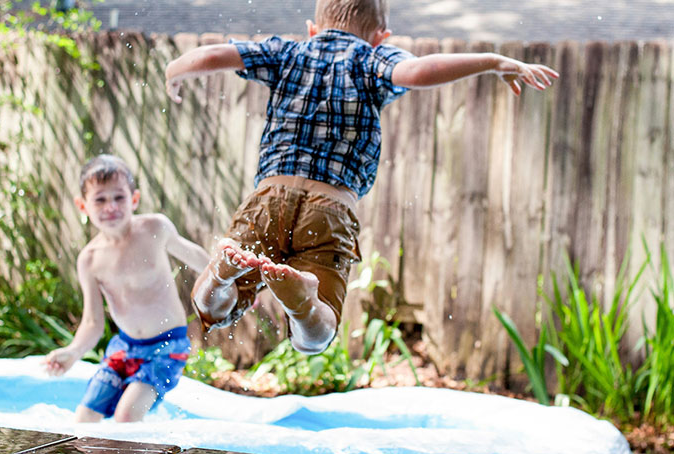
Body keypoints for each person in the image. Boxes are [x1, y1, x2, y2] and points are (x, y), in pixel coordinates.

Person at [164, 0, 559, 356]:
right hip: (331, 207)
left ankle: (219, 274)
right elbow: (419, 71)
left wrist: (175, 70)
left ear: (312, 29)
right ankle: (302, 303)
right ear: (380, 37)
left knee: (214, 309)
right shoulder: (372, 60)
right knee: (317, 335)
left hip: (269, 196)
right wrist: (493, 61)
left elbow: (215, 54)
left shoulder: (287, 52)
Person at [43, 154, 210, 423]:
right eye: (100, 199)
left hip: (168, 345)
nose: (110, 206)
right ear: (82, 205)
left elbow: (197, 257)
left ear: (134, 199)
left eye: (119, 197)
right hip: (124, 347)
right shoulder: (89, 259)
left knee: (126, 417)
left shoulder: (154, 228)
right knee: (83, 419)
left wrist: (232, 283)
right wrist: (72, 353)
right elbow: (92, 322)